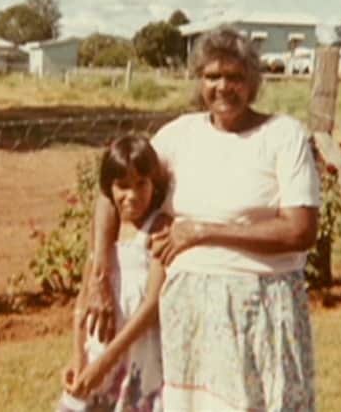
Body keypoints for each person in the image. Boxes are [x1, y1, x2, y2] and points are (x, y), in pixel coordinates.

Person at [84, 26, 321, 411]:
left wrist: (202, 231)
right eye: (213, 76)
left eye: (235, 77)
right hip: (188, 314)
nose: (223, 87)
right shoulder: (180, 135)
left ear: (253, 82)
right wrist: (99, 279)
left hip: (261, 307)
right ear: (199, 80)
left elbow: (300, 231)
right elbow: (112, 189)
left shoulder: (283, 136)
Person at [58, 134, 167, 412]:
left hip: (137, 350)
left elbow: (152, 305)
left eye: (141, 184)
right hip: (99, 346)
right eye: (123, 186)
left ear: (154, 184)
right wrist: (79, 356)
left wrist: (105, 362)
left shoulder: (159, 229)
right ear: (110, 188)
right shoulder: (107, 234)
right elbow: (85, 295)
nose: (132, 195)